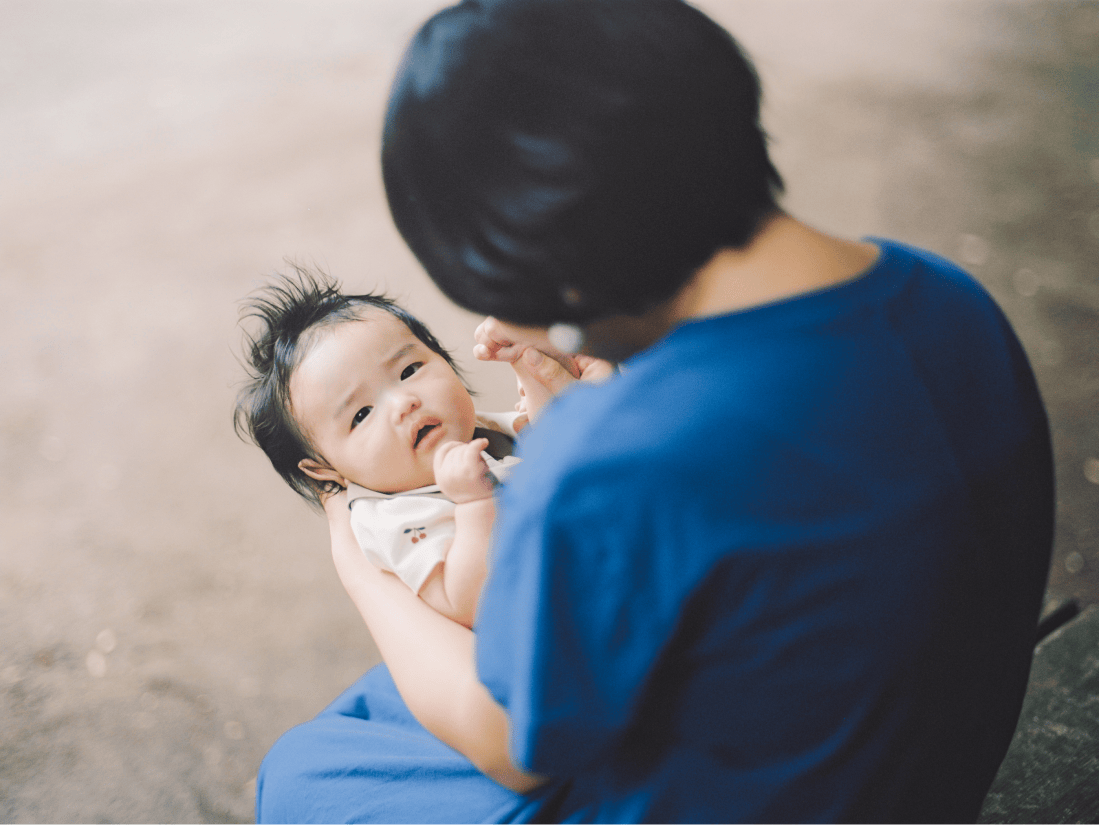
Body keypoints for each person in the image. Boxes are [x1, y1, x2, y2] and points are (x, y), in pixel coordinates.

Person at [256, 1, 1055, 823]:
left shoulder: (624, 457)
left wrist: (361, 570)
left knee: (301, 774)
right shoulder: (945, 295)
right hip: (921, 766)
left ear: (555, 269)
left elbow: (512, 747)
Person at [234, 267, 528, 627]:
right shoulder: (394, 518)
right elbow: (469, 603)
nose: (403, 403)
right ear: (325, 471)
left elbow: (560, 443)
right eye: (361, 414)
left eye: (408, 371)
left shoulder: (480, 429)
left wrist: (532, 368)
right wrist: (475, 504)